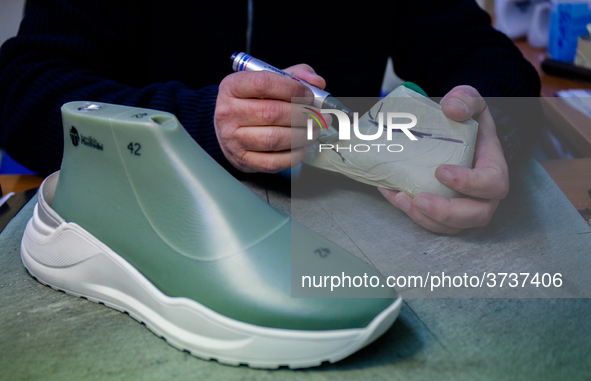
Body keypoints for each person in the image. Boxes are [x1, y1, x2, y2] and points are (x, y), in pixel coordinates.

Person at [0, 0, 541, 234]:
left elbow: (488, 58)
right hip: (152, 223)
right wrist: (196, 123)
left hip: (339, 233)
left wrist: (490, 122)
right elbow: (23, 88)